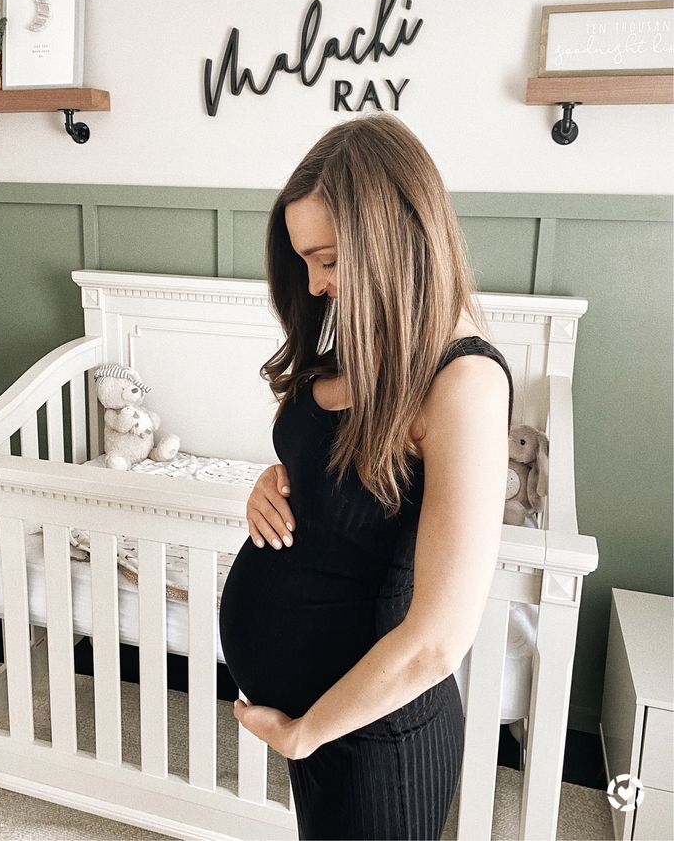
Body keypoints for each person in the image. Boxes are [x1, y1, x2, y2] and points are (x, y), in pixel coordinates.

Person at [218, 112, 513, 840]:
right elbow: (348, 483)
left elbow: (438, 638)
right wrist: (275, 481)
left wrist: (307, 731)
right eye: (306, 263)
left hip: (374, 739)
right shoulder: (366, 336)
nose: (316, 286)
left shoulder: (463, 381)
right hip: (323, 723)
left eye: (328, 259)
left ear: (393, 237)